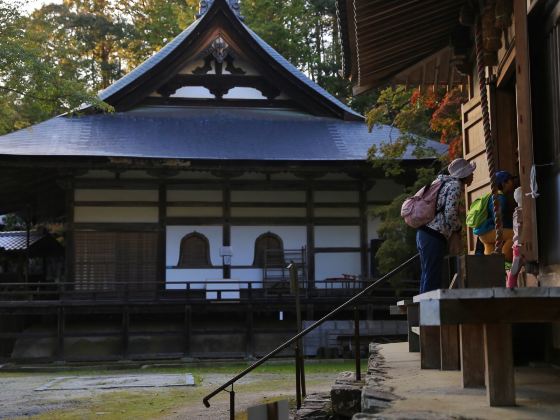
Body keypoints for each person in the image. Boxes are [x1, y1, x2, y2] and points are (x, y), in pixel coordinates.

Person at [417, 158, 475, 293]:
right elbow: (449, 214)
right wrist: (458, 227)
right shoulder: (455, 186)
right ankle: (429, 310)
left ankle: (423, 308)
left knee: (427, 273)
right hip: (434, 234)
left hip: (424, 233)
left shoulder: (442, 183)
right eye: (471, 172)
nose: (473, 175)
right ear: (464, 174)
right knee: (432, 275)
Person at [473, 170, 515, 261]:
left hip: (483, 233)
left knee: (490, 246)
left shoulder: (491, 196)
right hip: (489, 230)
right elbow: (499, 215)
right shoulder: (499, 198)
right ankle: (504, 257)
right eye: (511, 180)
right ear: (504, 183)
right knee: (514, 234)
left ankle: (492, 265)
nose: (513, 183)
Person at [506, 187, 524, 288]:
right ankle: (510, 290)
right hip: (519, 247)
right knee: (514, 272)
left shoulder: (517, 213)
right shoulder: (519, 214)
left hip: (518, 246)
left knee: (515, 271)